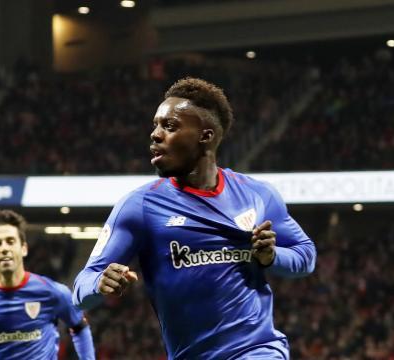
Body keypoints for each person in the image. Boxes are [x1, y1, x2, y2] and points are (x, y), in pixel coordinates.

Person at [73, 77, 316, 359]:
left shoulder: (257, 195)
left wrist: (272, 258)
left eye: (170, 126)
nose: (155, 134)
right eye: (155, 124)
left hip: (258, 350)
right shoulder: (139, 206)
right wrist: (99, 282)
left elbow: (305, 255)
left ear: (206, 136)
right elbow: (81, 286)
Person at [0, 210, 95, 359]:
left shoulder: (53, 292)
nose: (4, 248)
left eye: (10, 241)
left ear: (24, 248)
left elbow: (80, 327)